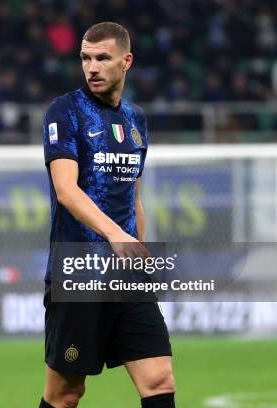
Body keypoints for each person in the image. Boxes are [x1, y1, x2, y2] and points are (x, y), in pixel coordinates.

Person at [40, 22, 175, 408]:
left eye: (102, 58)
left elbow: (134, 198)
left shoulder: (137, 121)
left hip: (126, 277)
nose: (92, 67)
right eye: (86, 58)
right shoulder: (66, 111)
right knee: (66, 394)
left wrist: (140, 252)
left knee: (159, 379)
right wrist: (115, 235)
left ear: (126, 61)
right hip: (79, 272)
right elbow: (66, 190)